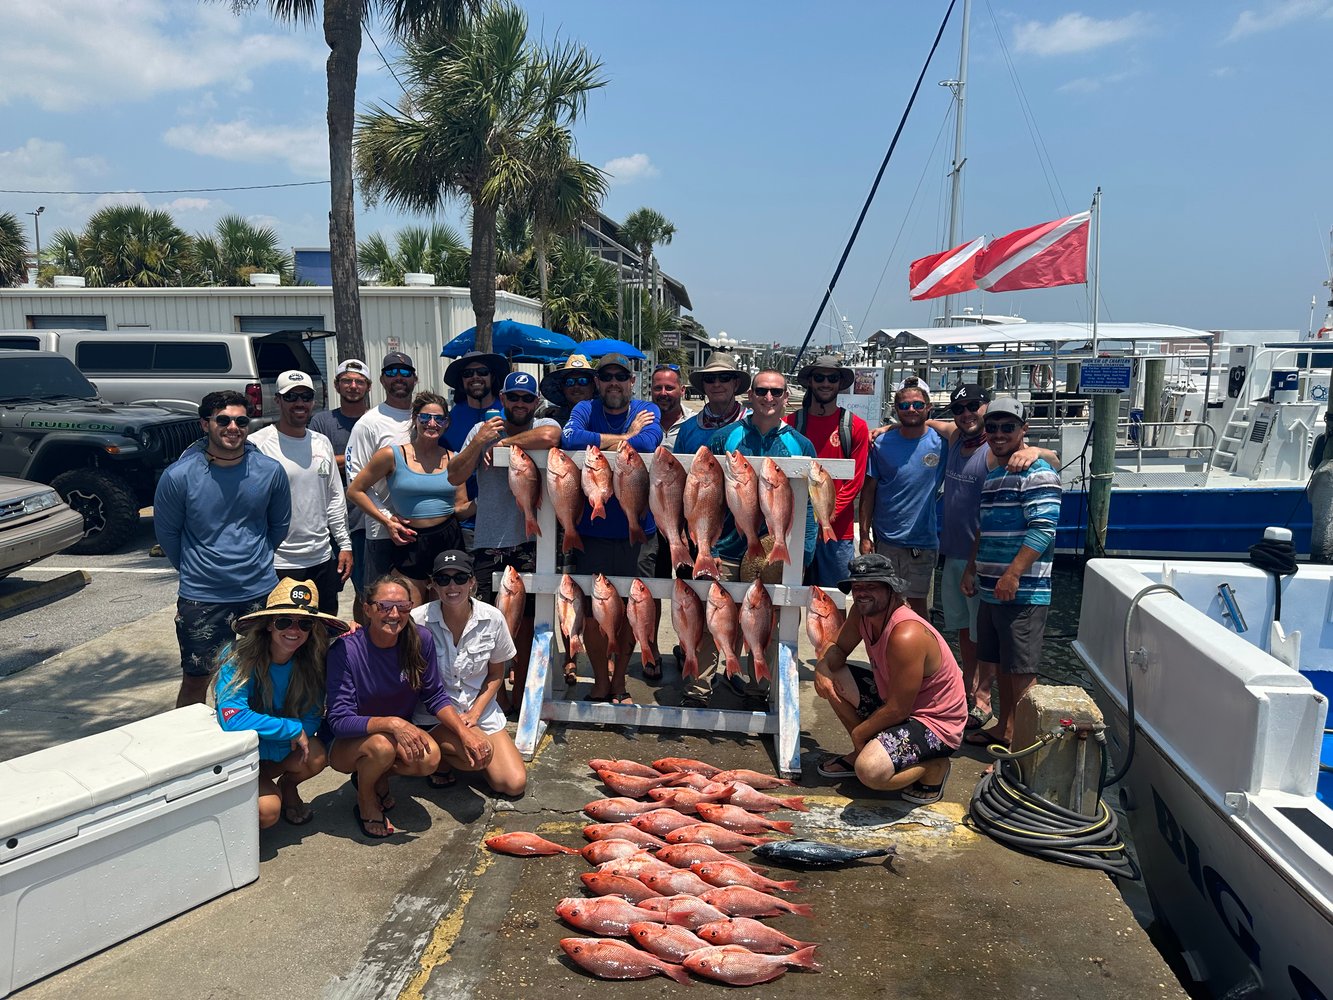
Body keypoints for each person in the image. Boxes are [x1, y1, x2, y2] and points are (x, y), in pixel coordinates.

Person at [325, 574, 494, 839]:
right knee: (380, 746)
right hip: (346, 743)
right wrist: (393, 723)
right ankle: (366, 796)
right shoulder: (344, 650)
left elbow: (435, 694)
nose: (394, 614)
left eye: (403, 607)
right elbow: (338, 720)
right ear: (367, 608)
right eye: (384, 606)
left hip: (393, 736)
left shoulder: (420, 639)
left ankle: (377, 775)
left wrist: (464, 733)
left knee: (430, 759)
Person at [686, 370, 816, 710]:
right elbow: (706, 496)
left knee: (770, 623)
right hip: (727, 547)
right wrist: (706, 547)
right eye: (762, 391)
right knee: (713, 616)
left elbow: (809, 510)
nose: (768, 398)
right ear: (750, 395)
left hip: (775, 551)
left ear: (787, 396)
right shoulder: (725, 438)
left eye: (776, 392)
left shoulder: (801, 445)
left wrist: (804, 553)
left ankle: (761, 689)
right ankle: (699, 687)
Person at [155, 389, 291, 708]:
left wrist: (251, 559)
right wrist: (199, 568)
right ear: (205, 425)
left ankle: (263, 749)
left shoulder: (270, 471)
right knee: (197, 679)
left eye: (241, 420)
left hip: (260, 592)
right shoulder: (178, 477)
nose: (233, 427)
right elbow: (168, 535)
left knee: (265, 673)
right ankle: (194, 750)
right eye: (224, 420)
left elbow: (278, 527)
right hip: (203, 597)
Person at [812, 553, 966, 804]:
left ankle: (934, 767)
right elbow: (836, 649)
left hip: (934, 723)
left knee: (870, 772)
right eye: (857, 587)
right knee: (833, 672)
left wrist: (859, 733)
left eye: (871, 586)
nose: (861, 593)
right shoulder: (861, 614)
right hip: (898, 705)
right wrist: (821, 668)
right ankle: (863, 750)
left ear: (892, 590)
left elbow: (898, 709)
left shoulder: (906, 633)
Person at [449, 371, 560, 708]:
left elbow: (553, 435)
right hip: (487, 542)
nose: (521, 404)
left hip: (531, 543)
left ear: (536, 402)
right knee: (483, 624)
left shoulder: (541, 427)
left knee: (527, 625)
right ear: (503, 398)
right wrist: (479, 441)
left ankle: (523, 692)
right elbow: (455, 474)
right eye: (514, 397)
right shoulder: (483, 429)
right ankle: (491, 694)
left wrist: (505, 444)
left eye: (528, 398)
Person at [561, 353, 663, 704]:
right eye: (607, 377)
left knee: (633, 609)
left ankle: (620, 682)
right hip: (591, 532)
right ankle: (601, 680)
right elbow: (570, 438)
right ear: (598, 382)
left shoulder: (647, 410)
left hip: (639, 533)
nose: (614, 382)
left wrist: (626, 437)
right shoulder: (584, 409)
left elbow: (649, 442)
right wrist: (624, 437)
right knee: (592, 611)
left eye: (621, 376)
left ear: (632, 381)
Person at [962, 397, 1062, 750]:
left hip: (1022, 592)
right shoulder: (994, 475)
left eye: (1008, 427)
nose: (999, 434)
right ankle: (1005, 728)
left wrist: (1013, 574)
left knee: (1021, 671)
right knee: (1001, 664)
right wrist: (973, 569)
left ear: (1024, 430)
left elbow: (1043, 528)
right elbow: (985, 529)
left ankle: (1022, 749)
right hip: (991, 589)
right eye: (993, 427)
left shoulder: (1039, 473)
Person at [214, 577, 349, 828]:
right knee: (267, 812)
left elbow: (310, 720)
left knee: (317, 754)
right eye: (284, 621)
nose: (294, 630)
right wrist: (290, 730)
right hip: (242, 756)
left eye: (305, 623)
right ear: (268, 625)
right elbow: (232, 717)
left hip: (276, 754)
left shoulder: (312, 664)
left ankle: (285, 786)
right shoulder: (237, 657)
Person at [410, 551, 527, 796]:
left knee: (513, 784)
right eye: (443, 579)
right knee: (475, 755)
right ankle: (440, 761)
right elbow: (381, 636)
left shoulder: (493, 617)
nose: (452, 586)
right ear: (433, 583)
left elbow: (496, 673)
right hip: (435, 716)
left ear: (472, 582)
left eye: (460, 578)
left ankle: (455, 753)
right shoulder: (417, 620)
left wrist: (475, 712)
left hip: (479, 711)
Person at [347, 392, 474, 605]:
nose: (432, 423)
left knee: (446, 615)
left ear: (446, 423)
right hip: (410, 541)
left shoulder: (453, 458)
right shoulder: (391, 455)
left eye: (439, 419)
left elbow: (460, 508)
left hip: (448, 541)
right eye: (425, 418)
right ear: (414, 419)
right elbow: (355, 490)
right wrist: (386, 521)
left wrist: (484, 502)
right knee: (409, 613)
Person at [249, 370, 352, 614]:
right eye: (291, 397)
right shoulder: (258, 444)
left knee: (323, 634)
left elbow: (335, 498)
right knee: (282, 637)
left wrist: (345, 545)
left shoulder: (321, 442)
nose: (299, 403)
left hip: (322, 558)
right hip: (278, 562)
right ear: (278, 400)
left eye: (305, 396)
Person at [858, 378, 943, 617]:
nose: (911, 410)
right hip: (885, 540)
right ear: (896, 410)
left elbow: (972, 431)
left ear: (928, 407)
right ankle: (882, 655)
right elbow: (868, 490)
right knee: (883, 605)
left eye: (917, 404)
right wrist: (864, 536)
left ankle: (920, 654)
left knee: (917, 607)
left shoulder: (941, 443)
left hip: (922, 542)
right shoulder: (881, 443)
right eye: (904, 406)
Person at [787, 354, 869, 587]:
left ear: (840, 383)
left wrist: (826, 516)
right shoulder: (791, 423)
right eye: (819, 377)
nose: (825, 383)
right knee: (788, 602)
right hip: (795, 531)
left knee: (835, 604)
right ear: (810, 381)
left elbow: (855, 481)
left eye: (832, 378)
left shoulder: (856, 427)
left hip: (837, 534)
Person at [345, 352, 418, 590]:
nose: (399, 377)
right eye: (391, 373)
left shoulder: (426, 418)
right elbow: (355, 481)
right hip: (383, 532)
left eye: (405, 372)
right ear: (382, 380)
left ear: (414, 379)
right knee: (378, 602)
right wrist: (388, 519)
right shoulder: (368, 423)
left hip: (422, 527)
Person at [310, 358, 372, 610]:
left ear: (368, 386)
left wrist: (337, 460)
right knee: (324, 596)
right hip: (328, 521)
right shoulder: (321, 422)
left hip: (365, 520)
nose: (353, 386)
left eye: (359, 381)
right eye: (347, 381)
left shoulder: (375, 420)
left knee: (366, 592)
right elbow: (316, 465)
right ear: (336, 386)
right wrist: (358, 460)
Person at [443, 351, 510, 549]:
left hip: (507, 519)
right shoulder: (449, 419)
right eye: (468, 374)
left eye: (482, 371)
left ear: (492, 376)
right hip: (464, 522)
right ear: (461, 381)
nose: (475, 378)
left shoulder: (511, 410)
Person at [674, 351, 749, 455]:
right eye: (710, 379)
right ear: (703, 385)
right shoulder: (688, 428)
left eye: (724, 378)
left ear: (736, 383)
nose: (716, 384)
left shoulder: (752, 423)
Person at [538, 353, 597, 425]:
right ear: (562, 388)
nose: (576, 386)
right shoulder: (552, 423)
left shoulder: (607, 416)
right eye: (570, 382)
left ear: (593, 386)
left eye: (583, 381)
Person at [650, 363, 688, 449]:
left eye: (669, 388)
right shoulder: (640, 421)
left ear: (682, 390)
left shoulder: (694, 423)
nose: (663, 393)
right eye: (658, 388)